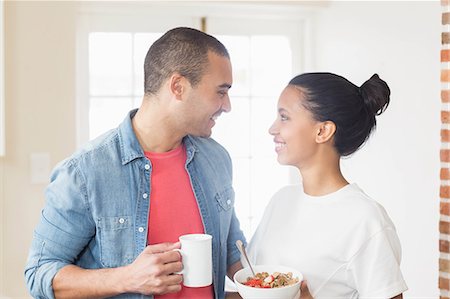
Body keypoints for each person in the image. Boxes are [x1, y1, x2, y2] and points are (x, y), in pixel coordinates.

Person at [24, 27, 246, 299]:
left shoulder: (216, 159)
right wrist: (127, 277)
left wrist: (275, 283)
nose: (227, 106)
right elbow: (39, 273)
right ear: (178, 87)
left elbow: (233, 252)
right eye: (221, 92)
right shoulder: (84, 172)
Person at [245, 73, 408, 298]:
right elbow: (252, 282)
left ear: (322, 131)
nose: (272, 129)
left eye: (284, 117)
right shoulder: (281, 200)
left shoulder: (366, 219)